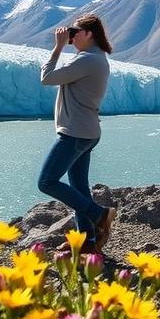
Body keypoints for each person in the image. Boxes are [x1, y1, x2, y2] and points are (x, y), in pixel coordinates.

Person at [37, 15, 117, 253]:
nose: (71, 36)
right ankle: (88, 242)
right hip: (86, 131)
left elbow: (47, 78)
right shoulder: (94, 59)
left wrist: (58, 47)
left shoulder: (89, 60)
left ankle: (99, 215)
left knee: (47, 181)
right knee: (79, 187)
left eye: (75, 31)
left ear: (89, 34)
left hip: (75, 133)